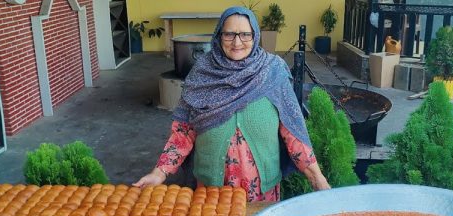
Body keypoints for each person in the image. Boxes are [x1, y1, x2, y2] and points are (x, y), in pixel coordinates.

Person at [133, 6, 330, 202]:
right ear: (219, 36)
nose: (237, 42)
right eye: (229, 34)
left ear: (255, 36)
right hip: (211, 194)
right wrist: (159, 173)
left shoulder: (272, 72)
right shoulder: (201, 74)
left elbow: (293, 132)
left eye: (245, 34)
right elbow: (183, 133)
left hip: (261, 195)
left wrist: (317, 179)